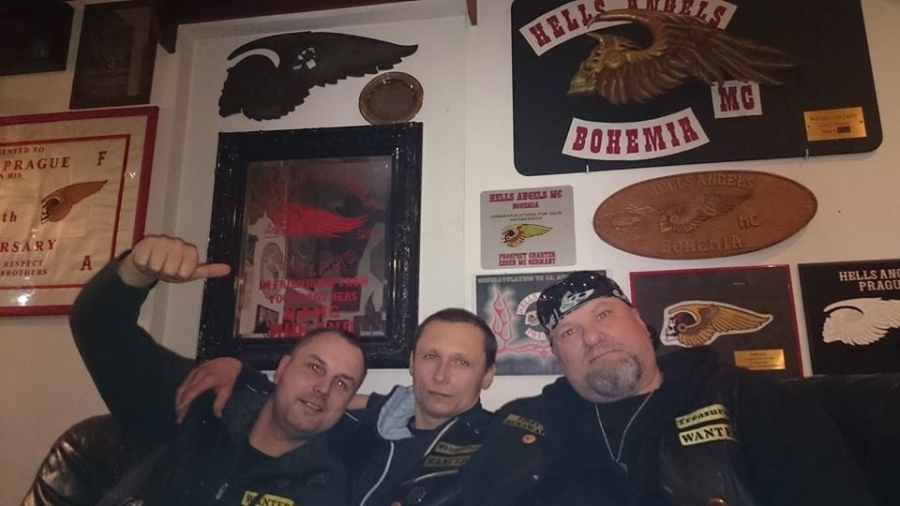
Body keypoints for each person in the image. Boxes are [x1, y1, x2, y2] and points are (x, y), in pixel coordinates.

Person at [456, 270, 877, 506]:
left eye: (603, 315)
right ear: (556, 355)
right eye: (568, 331)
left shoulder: (752, 403)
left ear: (642, 323)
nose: (592, 337)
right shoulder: (521, 423)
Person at [70, 234, 367, 505]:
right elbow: (97, 327)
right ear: (282, 368)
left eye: (342, 384)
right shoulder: (197, 399)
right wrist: (136, 271)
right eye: (315, 367)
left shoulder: (332, 484)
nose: (323, 389)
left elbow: (395, 411)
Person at [177, 307, 497, 506]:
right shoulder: (372, 428)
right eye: (430, 356)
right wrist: (239, 370)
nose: (441, 375)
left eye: (462, 362)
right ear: (412, 363)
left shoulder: (497, 447)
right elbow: (305, 398)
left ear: (487, 376)